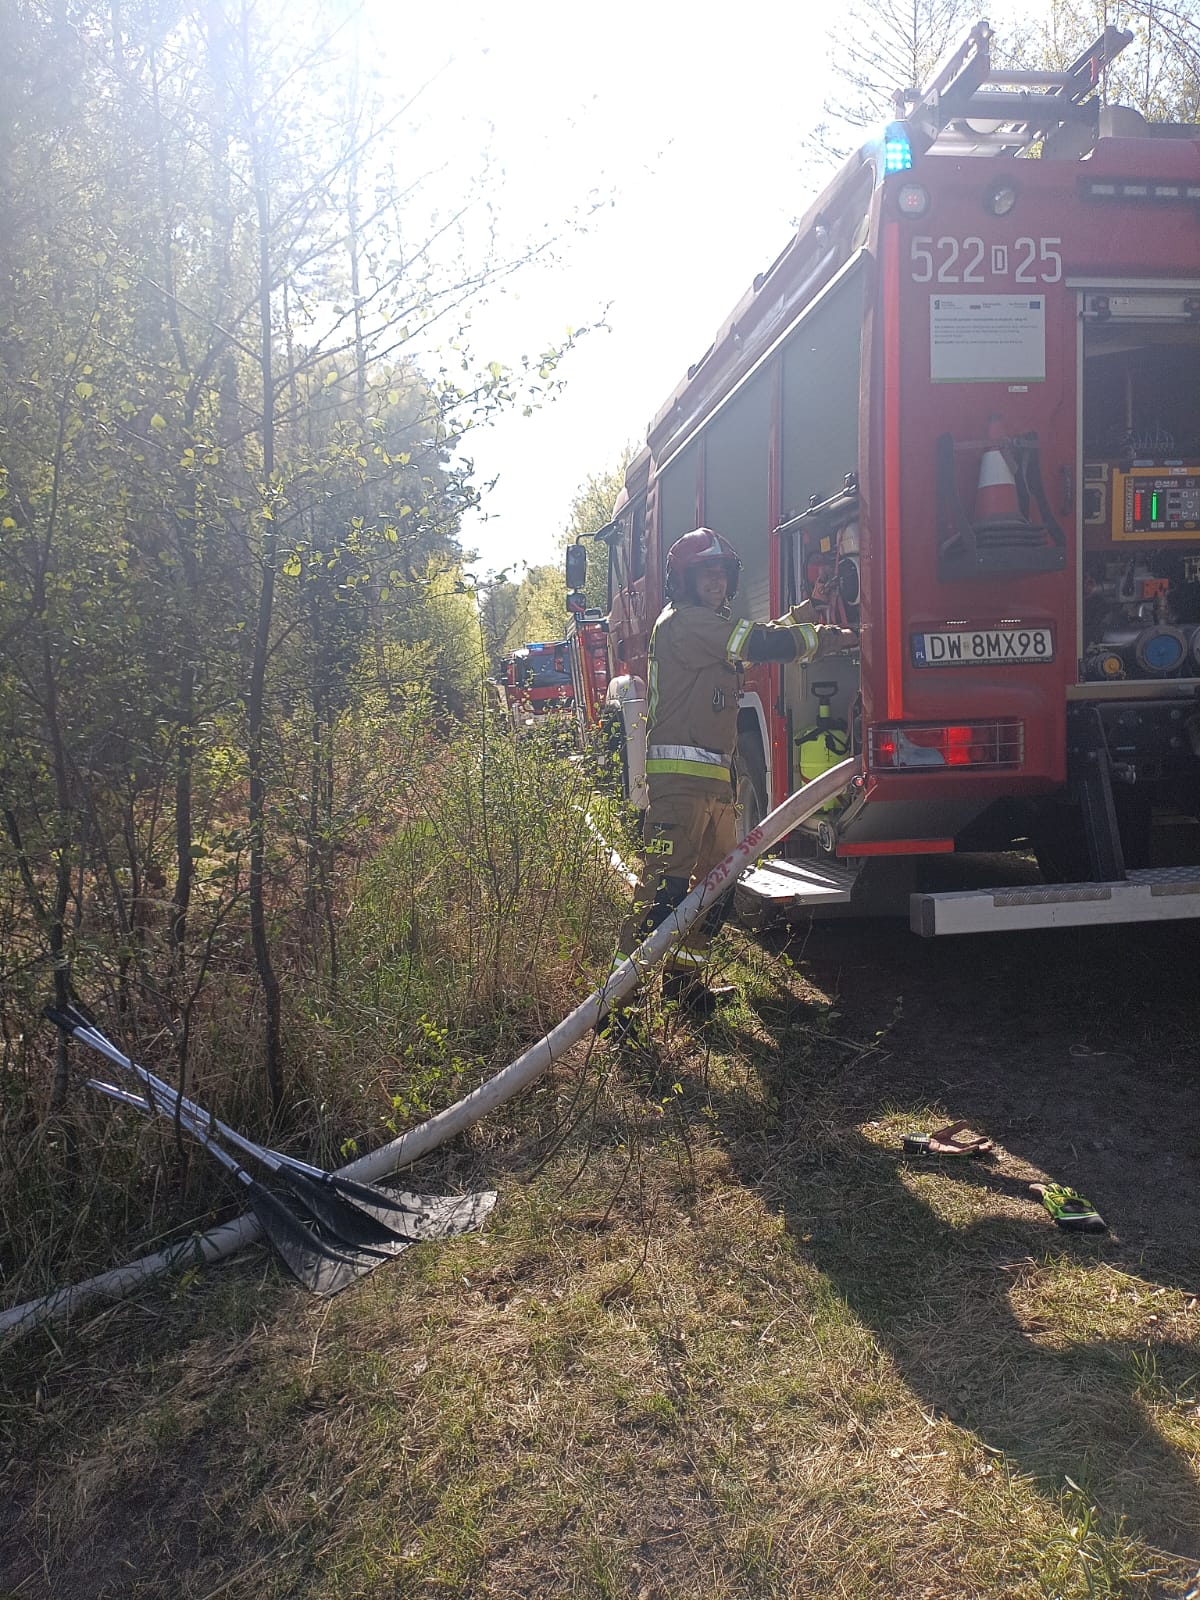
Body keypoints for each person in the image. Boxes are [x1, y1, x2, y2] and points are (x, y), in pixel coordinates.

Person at [608, 527, 855, 1026]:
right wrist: (833, 637)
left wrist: (808, 610)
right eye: (706, 575)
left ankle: (683, 985)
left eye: (721, 575)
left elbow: (756, 635)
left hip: (713, 787)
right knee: (664, 892)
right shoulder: (683, 624)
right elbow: (761, 642)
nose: (716, 583)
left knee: (712, 890)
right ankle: (617, 1004)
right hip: (679, 791)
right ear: (685, 581)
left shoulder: (709, 628)